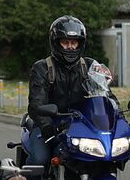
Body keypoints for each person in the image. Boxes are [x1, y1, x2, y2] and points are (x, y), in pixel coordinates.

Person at [23, 15, 104, 168]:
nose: (70, 47)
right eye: (65, 42)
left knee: (101, 155)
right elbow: (36, 104)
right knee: (40, 160)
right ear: (56, 43)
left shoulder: (90, 66)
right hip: (48, 124)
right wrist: (48, 127)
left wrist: (118, 117)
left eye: (74, 42)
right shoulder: (42, 68)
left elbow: (106, 95)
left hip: (81, 123)